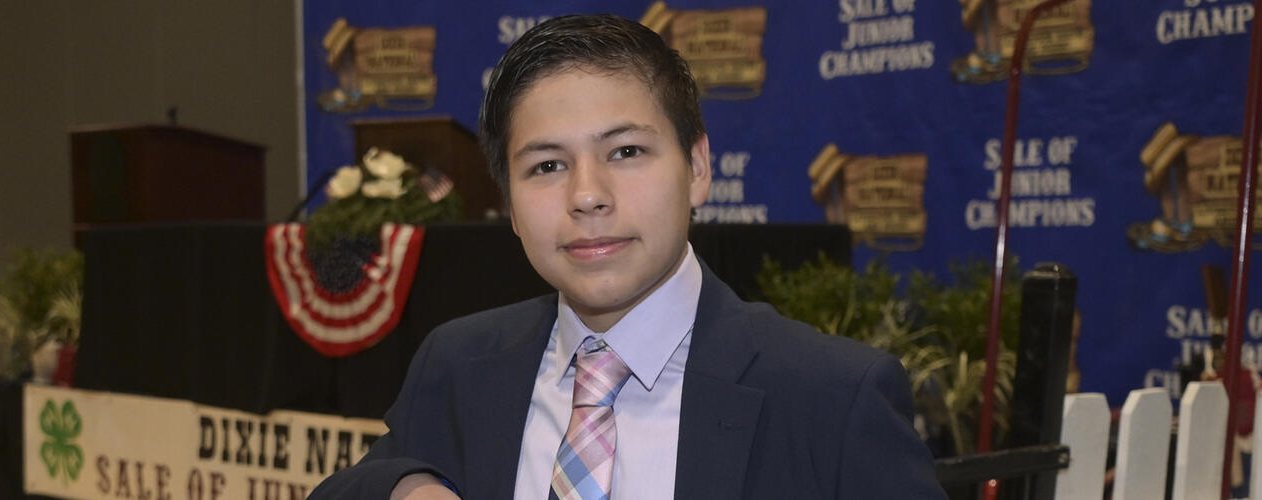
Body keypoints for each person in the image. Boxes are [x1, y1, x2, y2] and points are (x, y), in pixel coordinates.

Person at [310, 14, 945, 500]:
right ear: (507, 201)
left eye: (626, 152)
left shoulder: (833, 397)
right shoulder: (459, 362)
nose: (587, 195)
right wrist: (406, 489)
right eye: (548, 165)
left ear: (697, 167)